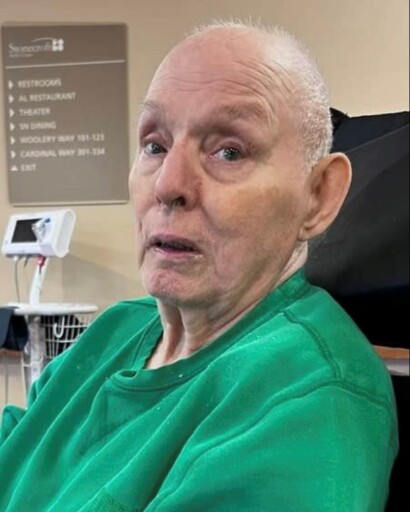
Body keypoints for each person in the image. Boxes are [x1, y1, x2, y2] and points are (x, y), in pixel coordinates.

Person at [0, 21, 397, 512]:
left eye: (229, 151)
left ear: (318, 196)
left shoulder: (308, 401)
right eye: (155, 145)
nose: (167, 185)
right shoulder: (116, 328)